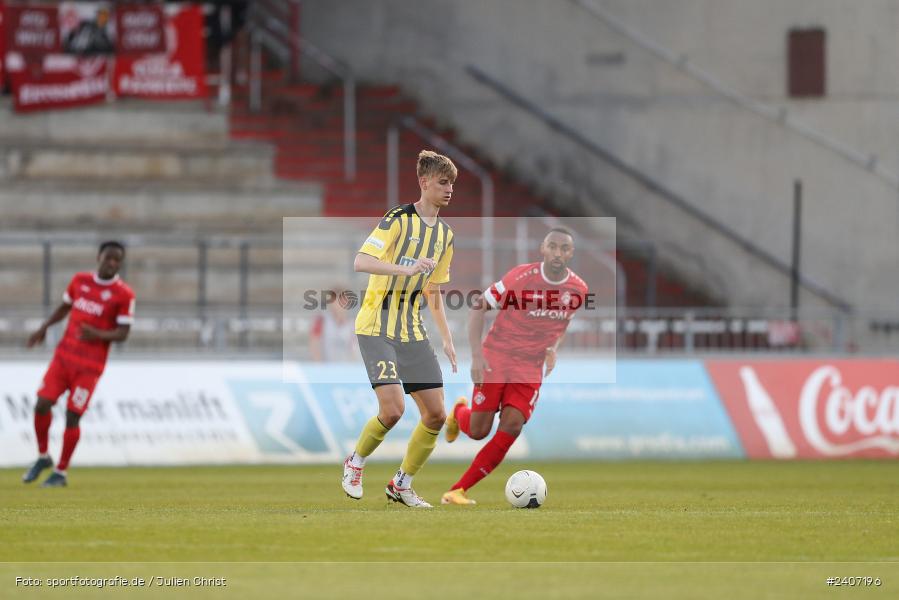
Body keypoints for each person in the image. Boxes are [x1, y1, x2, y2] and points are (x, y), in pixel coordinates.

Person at [341, 150, 458, 508]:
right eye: (443, 182)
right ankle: (355, 462)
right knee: (393, 410)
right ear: (424, 183)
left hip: (412, 331)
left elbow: (433, 290)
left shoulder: (445, 236)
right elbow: (361, 261)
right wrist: (403, 269)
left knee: (436, 414)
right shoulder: (397, 219)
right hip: (376, 325)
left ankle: (401, 484)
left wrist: (447, 339)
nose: (449, 189)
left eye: (452, 184)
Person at [441, 228, 589, 505]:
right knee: (479, 430)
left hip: (530, 366)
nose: (557, 253)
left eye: (564, 248)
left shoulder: (578, 290)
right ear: (543, 248)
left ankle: (458, 490)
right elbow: (478, 307)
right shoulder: (520, 278)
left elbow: (563, 323)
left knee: (512, 425)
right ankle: (459, 413)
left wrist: (553, 348)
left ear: (571, 253)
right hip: (497, 356)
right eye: (552, 247)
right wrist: (476, 356)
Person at [22, 241, 135, 487]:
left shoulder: (124, 294)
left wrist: (97, 334)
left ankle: (61, 472)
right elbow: (65, 307)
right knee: (42, 404)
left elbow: (123, 332)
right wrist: (43, 328)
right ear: (99, 257)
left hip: (89, 367)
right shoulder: (79, 281)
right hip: (64, 357)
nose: (112, 263)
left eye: (117, 260)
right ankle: (43, 456)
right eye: (108, 258)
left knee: (73, 415)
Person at [309, 285, 359, 362]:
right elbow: (314, 344)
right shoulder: (321, 320)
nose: (340, 304)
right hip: (326, 367)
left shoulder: (353, 325)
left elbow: (355, 351)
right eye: (337, 301)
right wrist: (319, 365)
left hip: (346, 367)